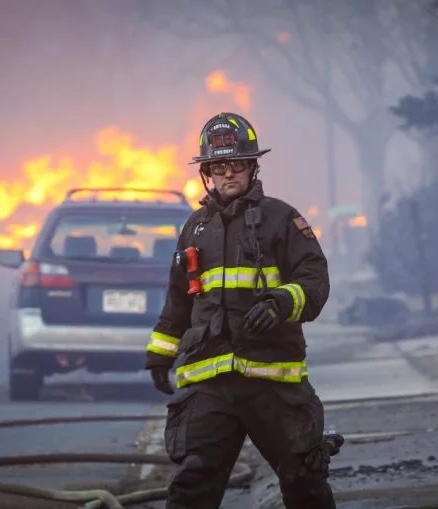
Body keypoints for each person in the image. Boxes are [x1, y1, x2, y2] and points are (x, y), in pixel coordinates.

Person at [144, 112, 338, 508]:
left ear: (252, 166)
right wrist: (161, 352)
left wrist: (283, 302)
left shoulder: (282, 219)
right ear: (207, 173)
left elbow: (315, 279)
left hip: (272, 381)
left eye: (237, 164)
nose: (229, 174)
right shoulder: (194, 228)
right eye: (219, 166)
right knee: (192, 484)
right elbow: (180, 298)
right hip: (209, 382)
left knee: (303, 478)